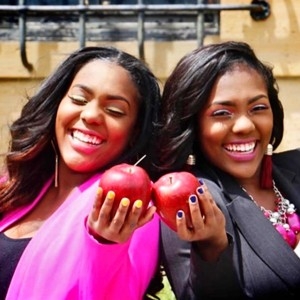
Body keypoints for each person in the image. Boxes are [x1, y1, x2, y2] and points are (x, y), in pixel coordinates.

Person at [0, 46, 163, 299]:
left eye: (115, 111)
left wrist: (107, 246)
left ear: (135, 133)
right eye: (78, 99)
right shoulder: (16, 185)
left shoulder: (130, 208)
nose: (90, 115)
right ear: (57, 105)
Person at [155, 41, 300, 299]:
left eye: (258, 108)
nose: (244, 125)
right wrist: (212, 248)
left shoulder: (294, 167)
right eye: (222, 113)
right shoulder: (193, 200)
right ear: (193, 124)